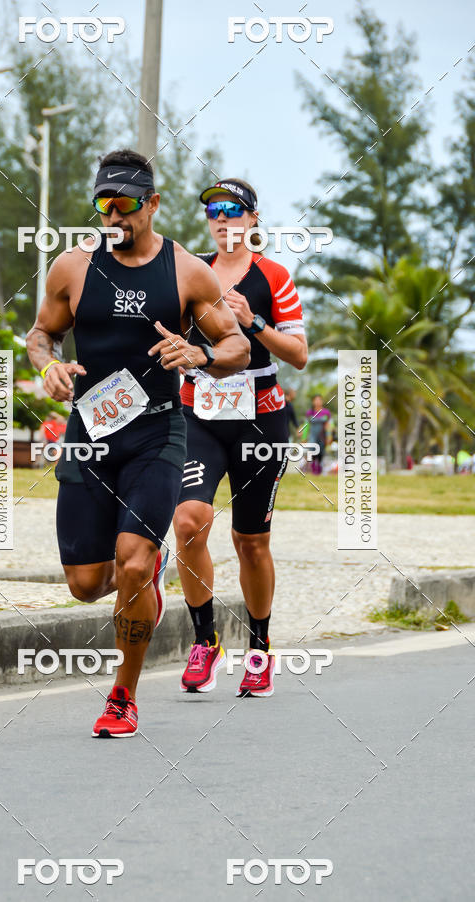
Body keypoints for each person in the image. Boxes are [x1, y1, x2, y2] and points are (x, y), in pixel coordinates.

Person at [26, 150, 250, 737]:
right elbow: (41, 333)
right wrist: (47, 365)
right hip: (89, 435)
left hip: (156, 432)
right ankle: (143, 574)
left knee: (131, 561)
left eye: (126, 204)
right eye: (104, 204)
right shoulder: (72, 268)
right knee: (85, 585)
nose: (113, 215)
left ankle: (122, 696)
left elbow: (239, 348)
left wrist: (199, 354)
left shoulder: (186, 272)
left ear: (152, 204)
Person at [173, 178, 307, 697]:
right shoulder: (189, 269)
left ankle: (259, 647)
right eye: (213, 211)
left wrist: (253, 326)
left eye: (232, 210)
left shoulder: (274, 275)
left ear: (253, 220)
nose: (222, 219)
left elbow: (298, 354)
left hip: (259, 417)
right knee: (188, 522)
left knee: (250, 542)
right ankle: (205, 640)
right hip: (198, 412)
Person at [305, 394, 331, 475]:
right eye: (316, 400)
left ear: (322, 401)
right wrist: (304, 437)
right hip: (312, 435)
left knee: (321, 452)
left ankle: (319, 469)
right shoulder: (309, 412)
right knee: (312, 451)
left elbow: (329, 425)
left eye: (319, 400)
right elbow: (306, 425)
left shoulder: (326, 412)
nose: (317, 402)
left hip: (322, 435)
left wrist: (329, 436)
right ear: (313, 402)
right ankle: (313, 468)